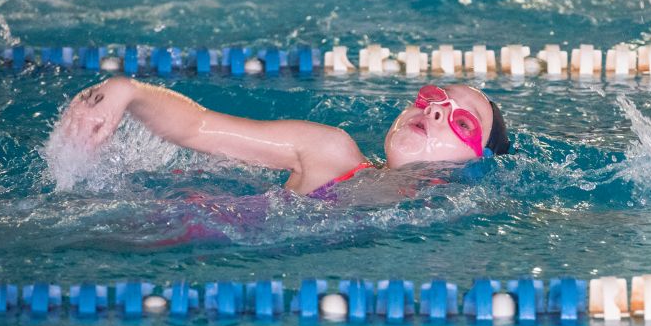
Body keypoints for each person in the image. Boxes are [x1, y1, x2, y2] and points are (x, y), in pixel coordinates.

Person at [56, 76, 510, 199]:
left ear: (478, 162)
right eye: (432, 98)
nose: (435, 110)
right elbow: (198, 126)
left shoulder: (461, 222)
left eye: (463, 123)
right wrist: (127, 91)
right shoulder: (328, 152)